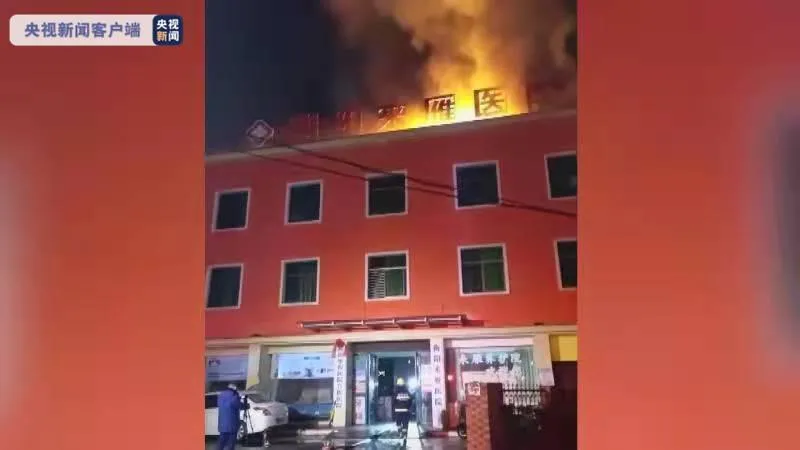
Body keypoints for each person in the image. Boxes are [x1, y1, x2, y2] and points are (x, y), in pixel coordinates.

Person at [217, 383, 245, 450]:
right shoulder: (234, 396)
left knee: (221, 442)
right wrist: (240, 398)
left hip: (222, 423)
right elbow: (239, 406)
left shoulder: (221, 395)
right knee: (231, 443)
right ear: (234, 388)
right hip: (232, 424)